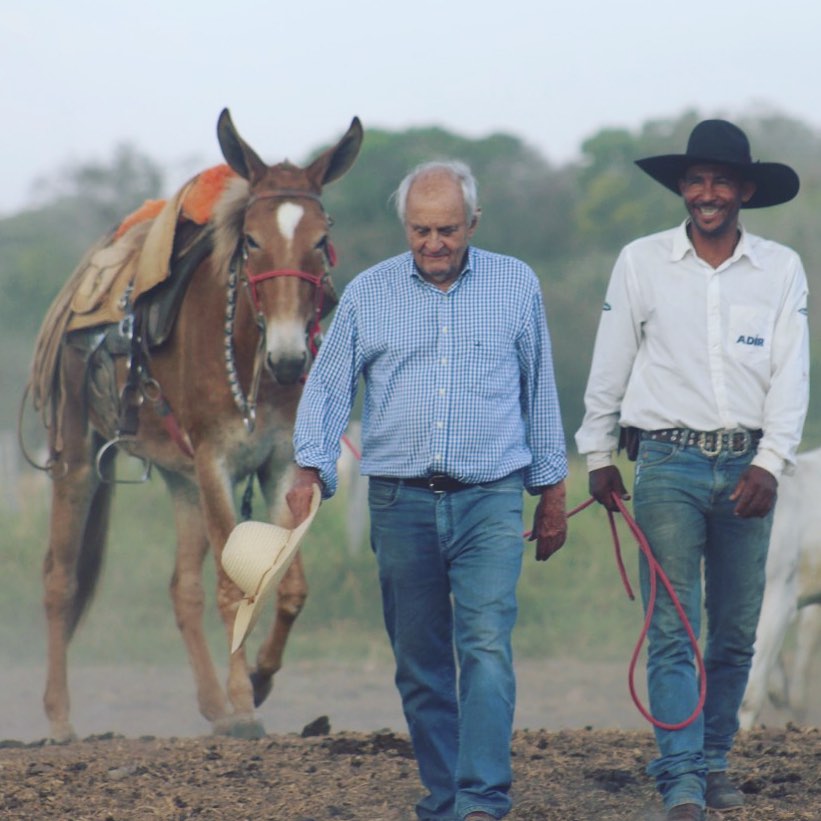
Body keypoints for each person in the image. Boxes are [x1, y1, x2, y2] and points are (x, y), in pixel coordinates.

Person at [286, 159, 569, 821]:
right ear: (404, 226)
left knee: (486, 646)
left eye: (446, 229)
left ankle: (481, 799)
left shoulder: (514, 284)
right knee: (419, 660)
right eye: (420, 230)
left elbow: (540, 392)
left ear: (472, 222)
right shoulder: (368, 293)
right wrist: (311, 469)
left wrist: (550, 491)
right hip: (398, 501)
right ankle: (445, 793)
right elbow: (328, 388)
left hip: (489, 497)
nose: (433, 243)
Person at [575, 120, 809, 821]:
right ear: (682, 187)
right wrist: (596, 453)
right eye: (695, 180)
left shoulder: (779, 267)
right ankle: (678, 775)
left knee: (736, 629)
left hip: (748, 465)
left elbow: (789, 375)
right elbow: (610, 358)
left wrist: (769, 460)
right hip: (667, 461)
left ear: (742, 190)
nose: (707, 193)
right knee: (675, 625)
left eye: (720, 181)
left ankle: (712, 758)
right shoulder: (641, 262)